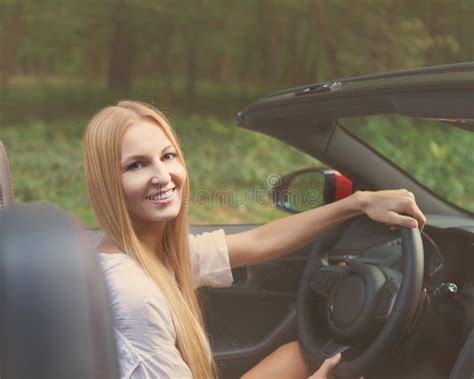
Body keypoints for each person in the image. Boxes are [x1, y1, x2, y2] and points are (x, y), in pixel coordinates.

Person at [83, 100, 426, 379]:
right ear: (106, 184)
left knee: (298, 356)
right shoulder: (132, 295)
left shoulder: (155, 253)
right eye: (136, 165)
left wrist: (357, 203)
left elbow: (259, 242)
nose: (162, 176)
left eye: (167, 156)